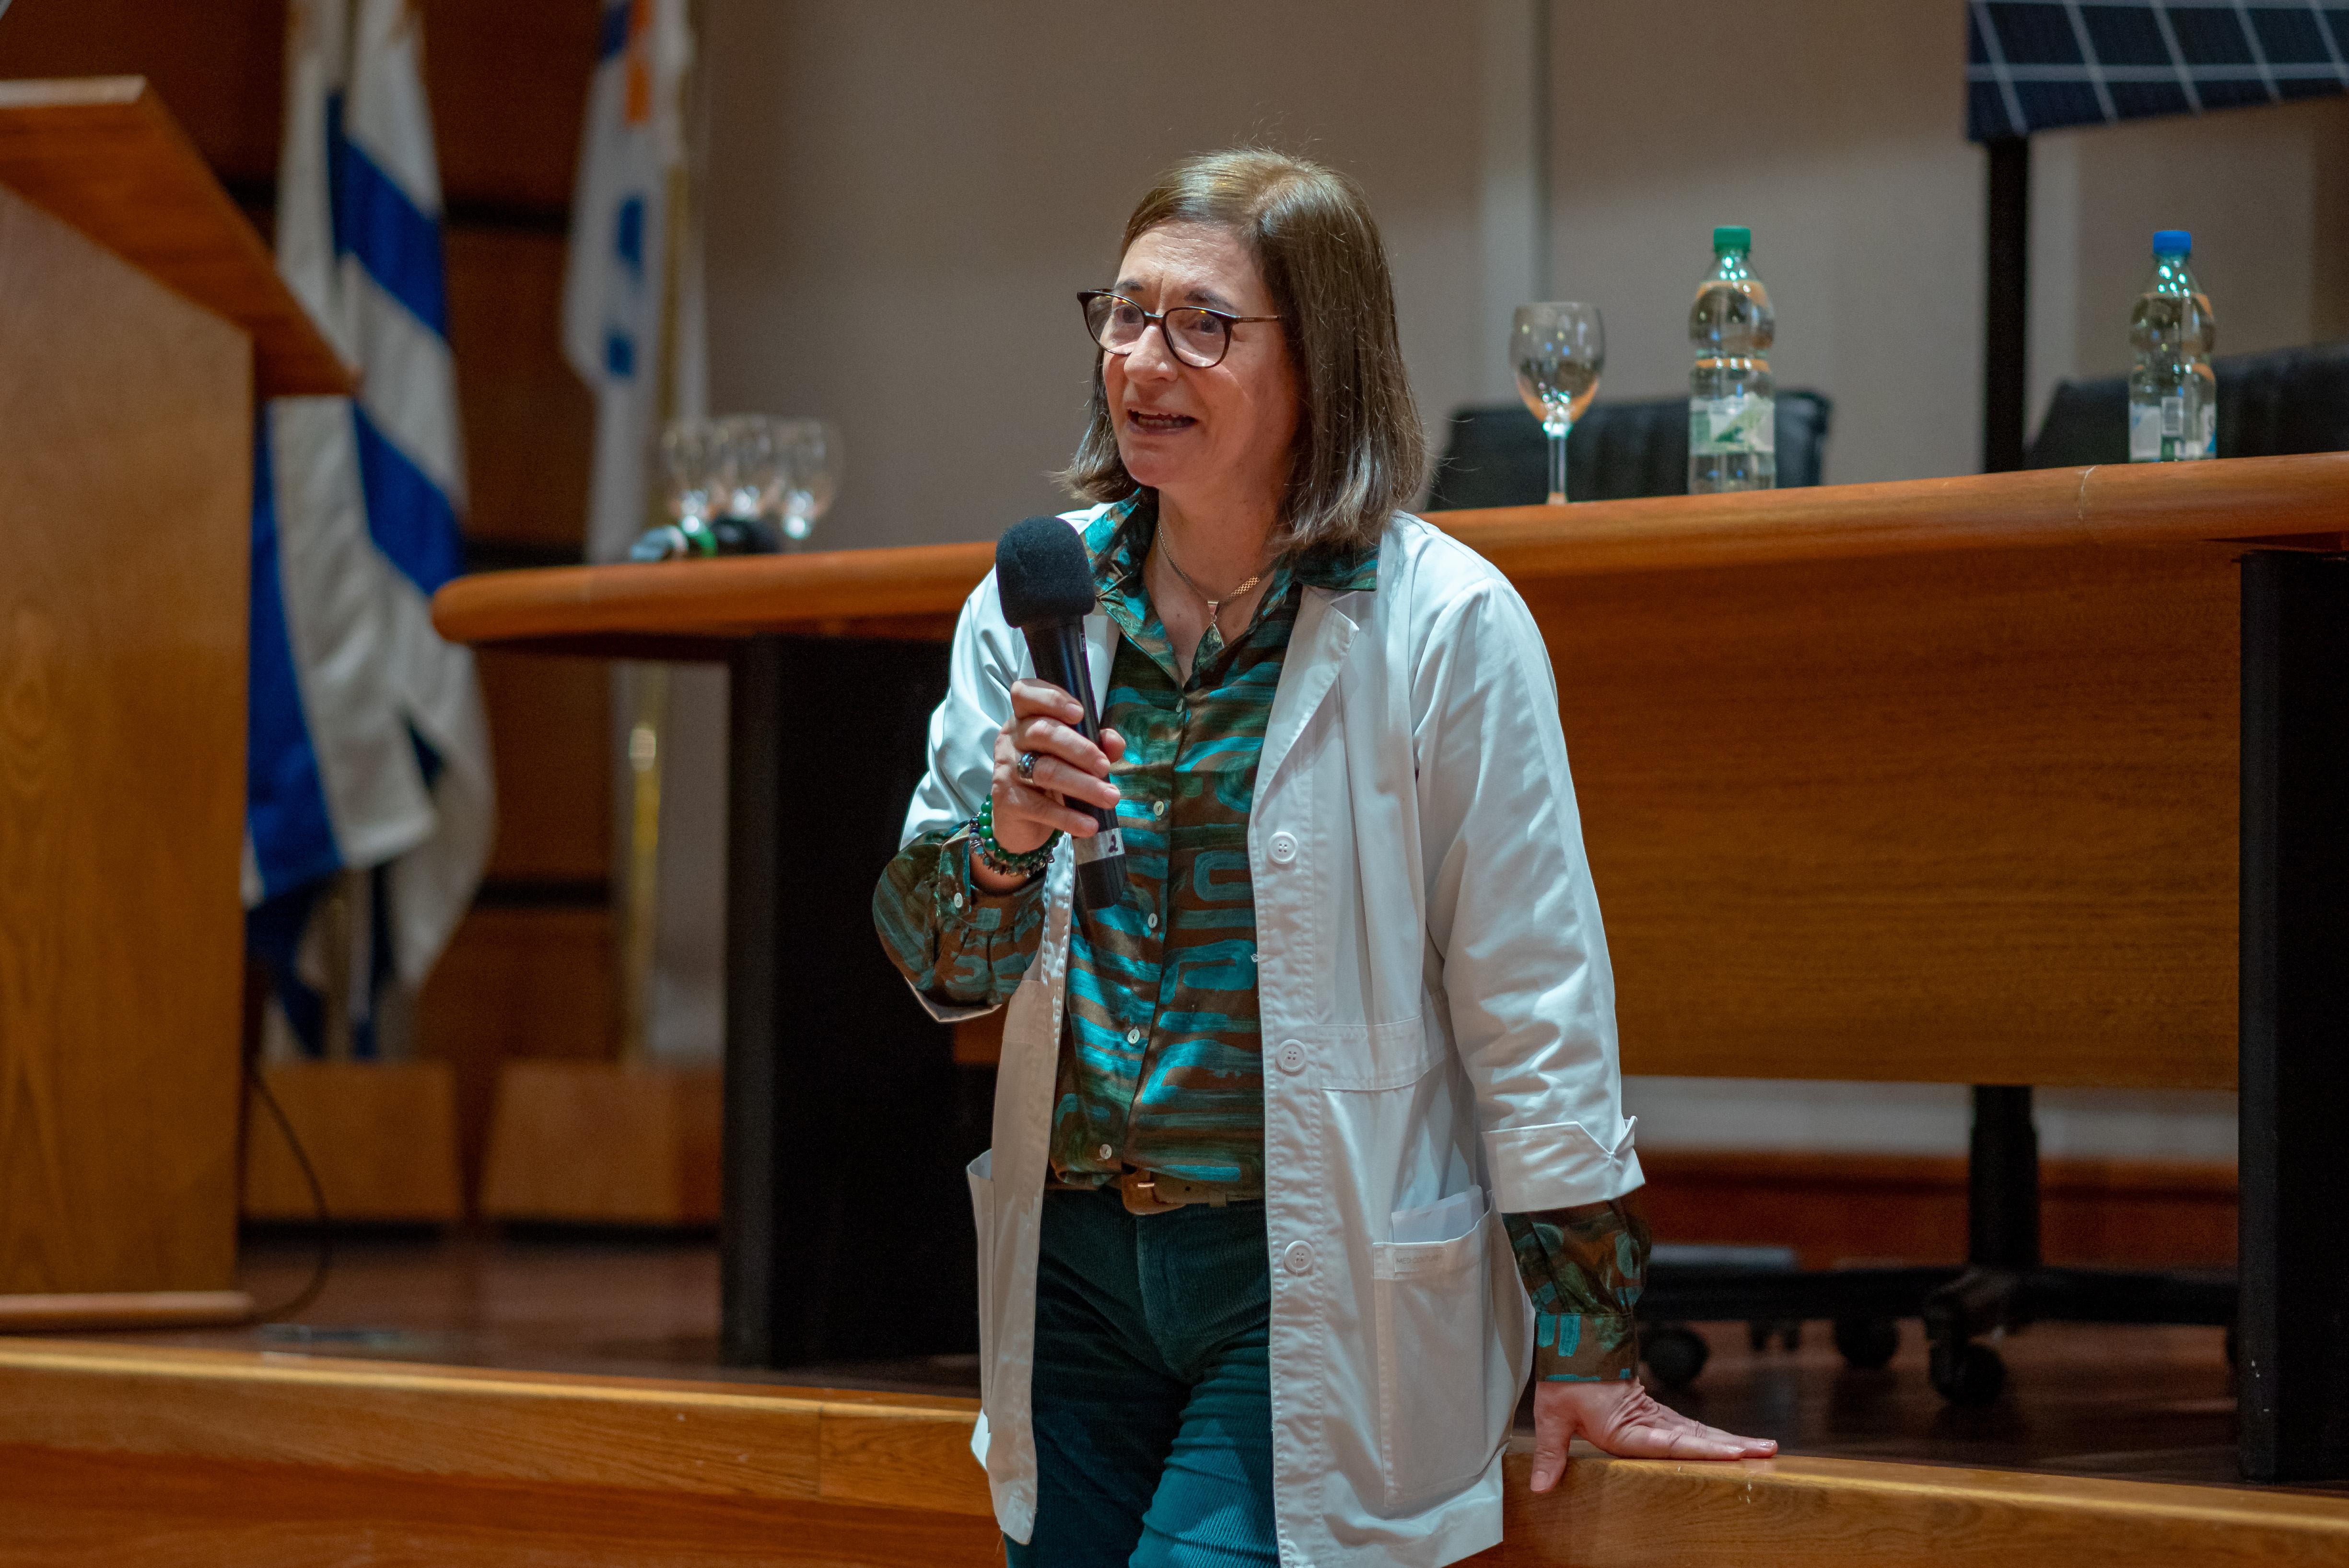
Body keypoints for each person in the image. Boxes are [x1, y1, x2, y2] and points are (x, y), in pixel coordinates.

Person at [874, 148, 1773, 1568]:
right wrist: (1003, 844)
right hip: (1076, 1270)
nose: (1141, 359)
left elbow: (1532, 996)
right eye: (1122, 312)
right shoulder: (1038, 602)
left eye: (1201, 325)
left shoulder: (1444, 624)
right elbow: (937, 969)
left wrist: (1589, 1337)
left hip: (1307, 1270)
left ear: (1324, 362)